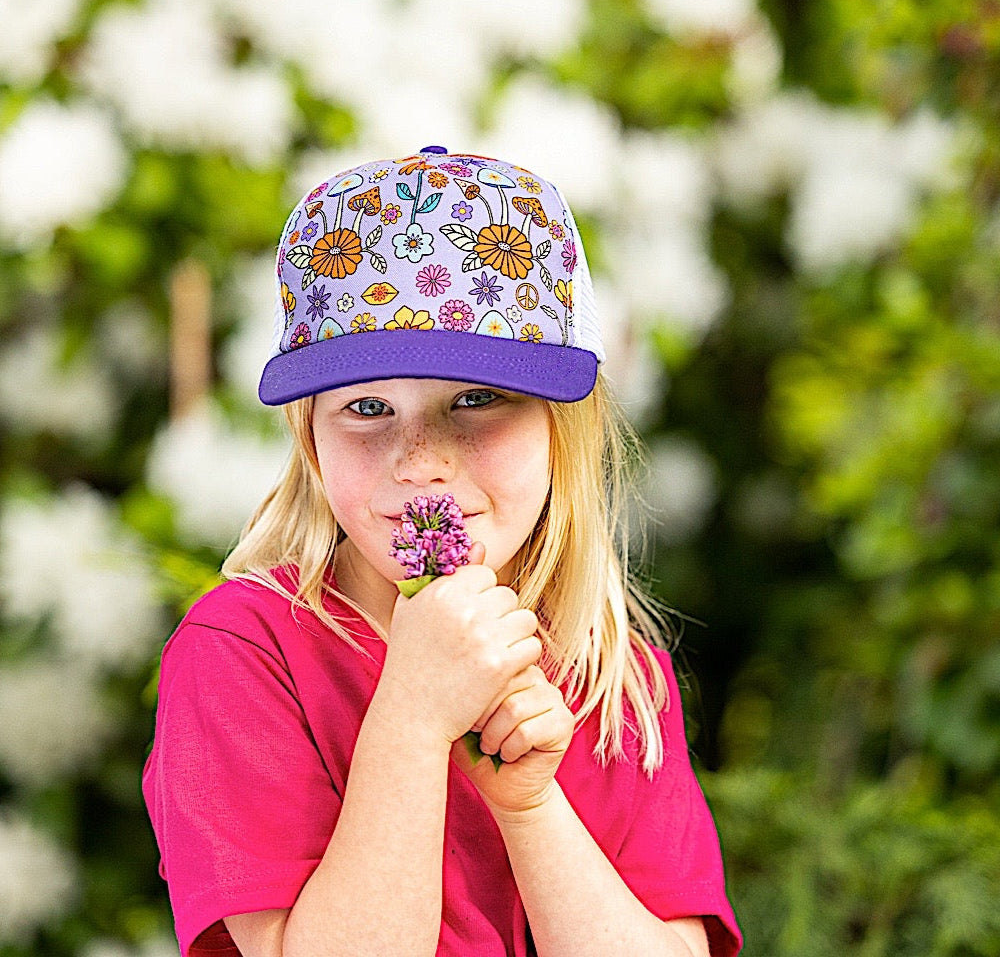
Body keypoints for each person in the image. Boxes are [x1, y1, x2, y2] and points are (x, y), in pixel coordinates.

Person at [142, 146, 743, 957]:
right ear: (312, 443)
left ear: (562, 433)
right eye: (367, 406)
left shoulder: (615, 678)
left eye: (476, 399)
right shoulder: (244, 654)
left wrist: (529, 808)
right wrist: (415, 718)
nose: (420, 458)